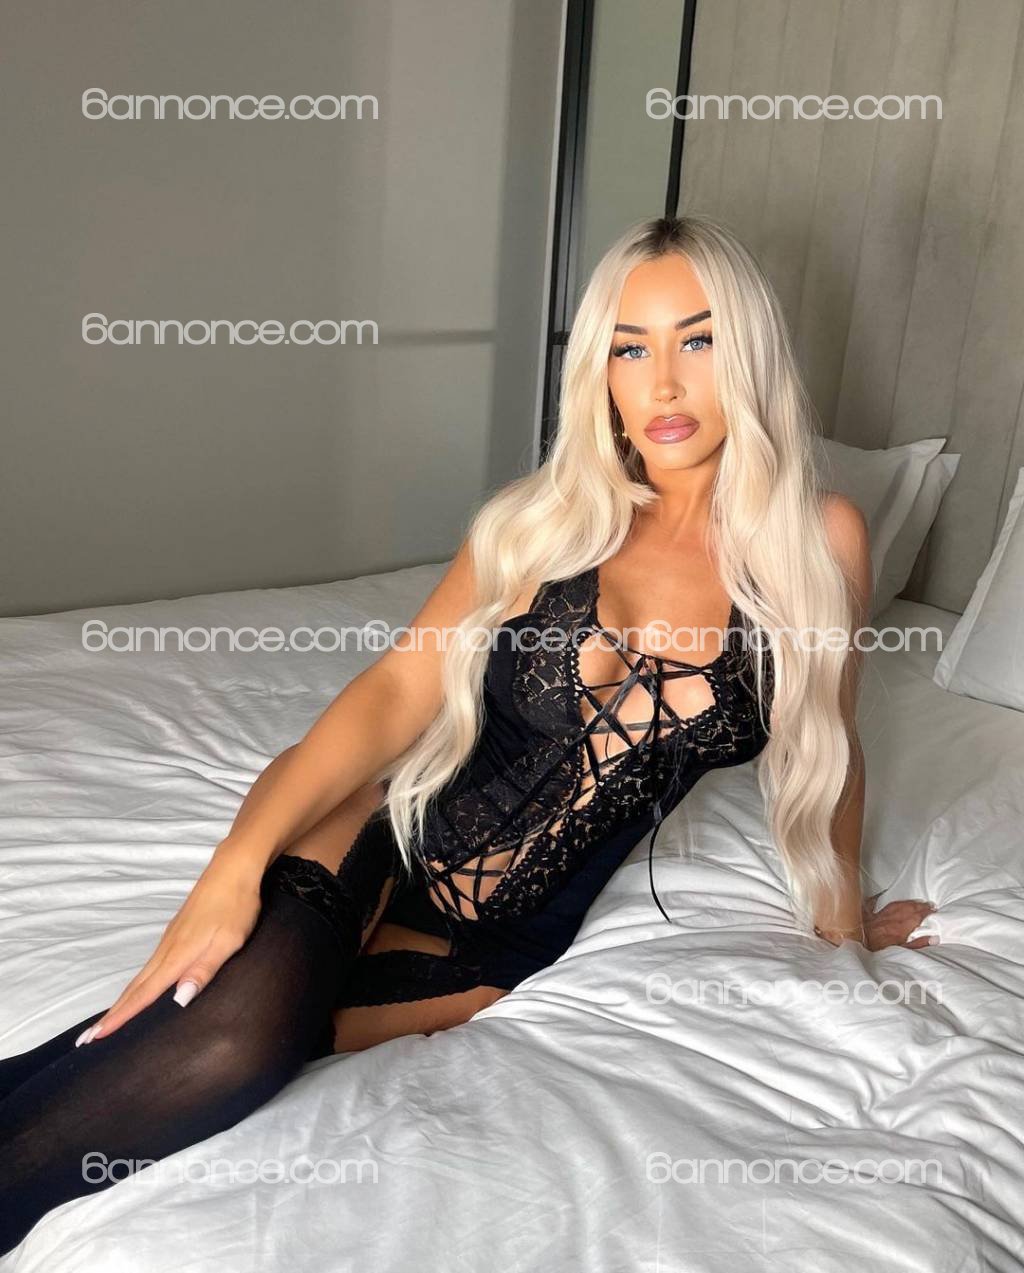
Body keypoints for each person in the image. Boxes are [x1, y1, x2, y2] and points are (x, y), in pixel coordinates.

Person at [0, 214, 936, 1254]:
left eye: (699, 340)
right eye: (629, 348)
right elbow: (397, 688)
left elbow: (827, 740)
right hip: (387, 824)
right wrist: (235, 864)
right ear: (599, 369)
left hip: (501, 945)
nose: (664, 383)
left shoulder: (819, 542)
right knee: (230, 1041)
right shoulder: (547, 521)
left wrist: (842, 922)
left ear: (750, 350)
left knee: (209, 1044)